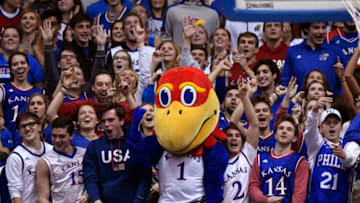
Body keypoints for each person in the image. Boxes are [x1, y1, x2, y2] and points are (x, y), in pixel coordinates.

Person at [83, 103, 149, 202]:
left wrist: (139, 200)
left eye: (111, 120)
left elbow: (145, 175)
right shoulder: (94, 147)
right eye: (103, 121)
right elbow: (90, 177)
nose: (106, 124)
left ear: (121, 121)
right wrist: (96, 199)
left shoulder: (136, 143)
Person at [248, 115, 309, 203]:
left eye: (289, 129)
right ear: (275, 134)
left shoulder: (300, 162)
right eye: (281, 128)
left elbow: (299, 194)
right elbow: (253, 187)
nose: (284, 131)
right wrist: (266, 200)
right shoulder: (259, 158)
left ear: (295, 138)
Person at [304, 98, 354, 203]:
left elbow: (351, 160)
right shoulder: (316, 145)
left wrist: (344, 156)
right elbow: (310, 130)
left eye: (335, 122)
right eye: (327, 123)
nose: (332, 125)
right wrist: (313, 112)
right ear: (321, 127)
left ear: (341, 126)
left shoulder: (348, 146)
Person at [281, 22, 346, 93]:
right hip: (299, 102)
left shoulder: (335, 51)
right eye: (316, 28)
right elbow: (285, 81)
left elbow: (344, 80)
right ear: (306, 29)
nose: (321, 32)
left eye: (323, 28)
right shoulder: (293, 51)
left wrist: (338, 100)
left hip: (330, 102)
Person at [36, 116, 88, 203]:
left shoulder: (85, 154)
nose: (57, 140)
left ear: (71, 136)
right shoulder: (45, 162)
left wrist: (88, 195)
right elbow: (42, 198)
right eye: (54, 136)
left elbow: (95, 181)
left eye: (62, 136)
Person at [223, 82, 259, 203]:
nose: (234, 138)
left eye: (237, 136)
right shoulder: (219, 162)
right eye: (230, 136)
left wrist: (244, 96)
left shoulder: (247, 154)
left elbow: (254, 124)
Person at [5, 112, 52, 203]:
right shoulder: (15, 157)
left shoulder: (51, 150)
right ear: (19, 131)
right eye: (23, 126)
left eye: (31, 124)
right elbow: (15, 194)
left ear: (39, 126)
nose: (27, 128)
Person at [0, 52, 44, 138]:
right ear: (11, 70)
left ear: (28, 67)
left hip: (33, 139)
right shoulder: (4, 90)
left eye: (23, 63)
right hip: (10, 139)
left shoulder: (39, 92)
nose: (20, 66)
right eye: (15, 64)